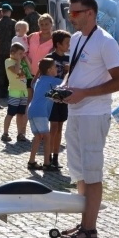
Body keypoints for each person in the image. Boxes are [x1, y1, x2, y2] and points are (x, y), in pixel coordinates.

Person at [59, 0, 119, 238]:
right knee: (79, 172)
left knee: (92, 172)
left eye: (75, 12)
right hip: (75, 111)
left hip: (94, 113)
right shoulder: (76, 39)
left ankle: (90, 229)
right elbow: (74, 72)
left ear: (90, 13)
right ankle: (83, 223)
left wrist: (84, 93)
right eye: (70, 11)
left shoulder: (106, 42)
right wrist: (64, 88)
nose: (70, 16)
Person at [27, 58, 61, 170]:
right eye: (55, 66)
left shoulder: (39, 79)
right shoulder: (52, 80)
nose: (57, 69)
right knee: (47, 137)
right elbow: (66, 84)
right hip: (40, 112)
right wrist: (70, 72)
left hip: (31, 110)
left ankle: (31, 161)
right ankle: (47, 163)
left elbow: (32, 84)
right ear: (49, 70)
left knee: (38, 136)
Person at [46, 30, 71, 169]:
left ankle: (56, 157)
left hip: (64, 96)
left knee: (60, 127)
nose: (69, 45)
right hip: (53, 96)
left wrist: (70, 71)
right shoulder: (50, 58)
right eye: (66, 43)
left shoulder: (69, 59)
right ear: (58, 44)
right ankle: (48, 157)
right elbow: (43, 76)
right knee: (53, 127)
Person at [1, 43, 29, 143]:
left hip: (23, 91)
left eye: (23, 54)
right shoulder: (8, 61)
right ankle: (5, 133)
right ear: (13, 53)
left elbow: (30, 69)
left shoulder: (21, 61)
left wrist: (25, 60)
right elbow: (16, 71)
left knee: (21, 113)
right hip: (14, 91)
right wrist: (18, 61)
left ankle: (20, 133)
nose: (22, 55)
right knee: (11, 113)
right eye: (20, 53)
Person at [0, 3, 15, 99]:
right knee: (9, 72)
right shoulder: (13, 23)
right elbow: (15, 37)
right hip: (10, 52)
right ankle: (8, 92)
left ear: (2, 12)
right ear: (9, 12)